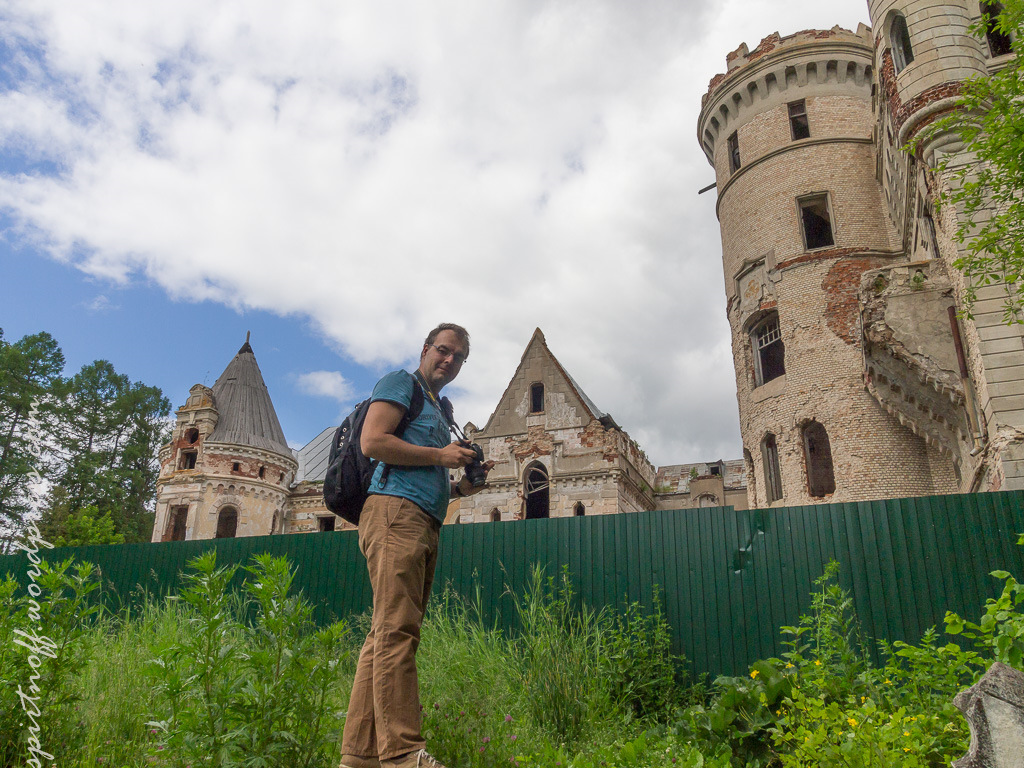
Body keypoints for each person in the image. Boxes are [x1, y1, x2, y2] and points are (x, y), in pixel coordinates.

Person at [340, 323, 493, 768]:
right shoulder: (399, 383)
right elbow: (373, 442)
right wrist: (442, 455)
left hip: (424, 519)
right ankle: (403, 753)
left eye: (458, 356)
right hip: (393, 513)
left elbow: (433, 477)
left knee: (386, 632)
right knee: (396, 631)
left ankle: (360, 755)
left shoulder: (440, 409)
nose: (449, 360)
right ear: (426, 349)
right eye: (443, 350)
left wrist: (464, 486)